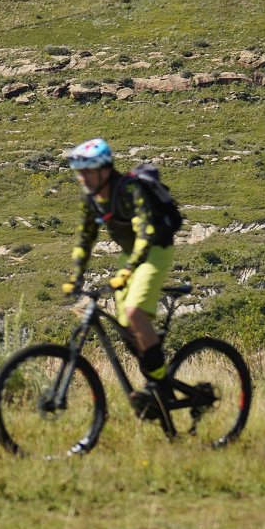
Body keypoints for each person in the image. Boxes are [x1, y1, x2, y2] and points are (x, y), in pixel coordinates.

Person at [62, 137, 175, 398]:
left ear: (104, 170)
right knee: (125, 325)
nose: (83, 178)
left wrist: (129, 270)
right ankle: (153, 359)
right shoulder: (92, 199)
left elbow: (146, 233)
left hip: (154, 252)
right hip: (129, 257)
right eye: (80, 173)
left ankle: (161, 385)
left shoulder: (130, 190)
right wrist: (75, 277)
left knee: (134, 313)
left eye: (87, 172)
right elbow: (85, 238)